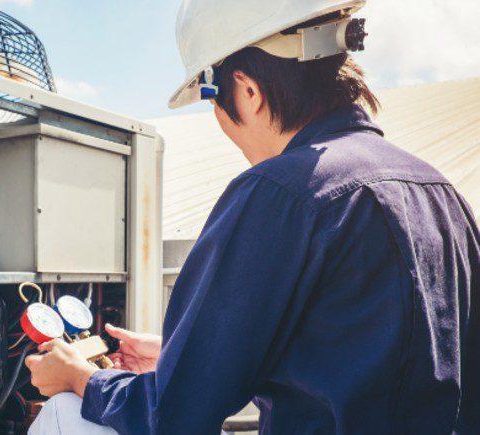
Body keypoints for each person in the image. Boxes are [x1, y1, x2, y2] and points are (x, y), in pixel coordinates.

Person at [26, 0, 480, 433]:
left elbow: (173, 418)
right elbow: (356, 360)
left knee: (66, 413)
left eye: (212, 102)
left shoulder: (278, 193)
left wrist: (80, 377)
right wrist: (177, 359)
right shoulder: (442, 196)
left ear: (247, 91)